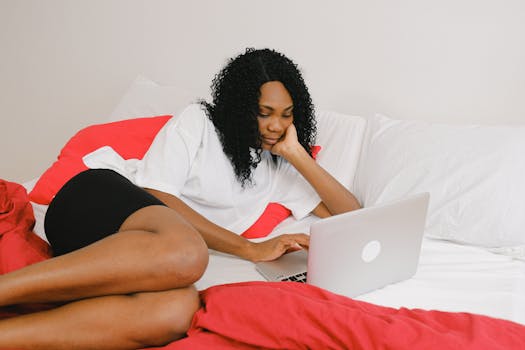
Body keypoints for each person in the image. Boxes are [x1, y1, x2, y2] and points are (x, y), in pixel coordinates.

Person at [0, 48, 361, 349]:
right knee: (187, 253)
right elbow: (157, 193)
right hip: (93, 203)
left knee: (177, 311)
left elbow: (351, 213)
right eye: (264, 113)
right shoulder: (199, 123)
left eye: (286, 115)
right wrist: (247, 248)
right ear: (239, 108)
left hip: (129, 257)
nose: (275, 126)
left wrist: (297, 154)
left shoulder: (276, 165)